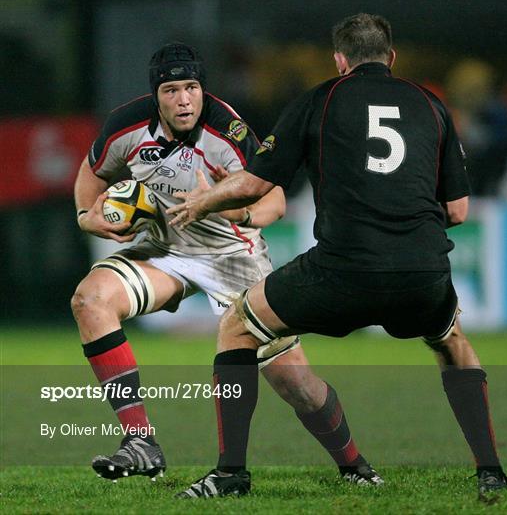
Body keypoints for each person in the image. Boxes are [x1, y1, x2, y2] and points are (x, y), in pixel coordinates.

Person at [171, 14, 507, 499]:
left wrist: (204, 200)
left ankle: (230, 475)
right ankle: (491, 471)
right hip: (421, 273)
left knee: (238, 326)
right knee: (452, 342)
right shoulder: (430, 104)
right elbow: (457, 210)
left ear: (338, 60)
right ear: (391, 58)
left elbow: (259, 181)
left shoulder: (319, 100)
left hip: (341, 272)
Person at [72, 42, 382, 487]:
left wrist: (229, 209)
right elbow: (91, 172)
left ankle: (354, 465)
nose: (184, 99)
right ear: (155, 95)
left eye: (192, 87)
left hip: (232, 257)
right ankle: (140, 442)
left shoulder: (228, 133)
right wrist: (88, 217)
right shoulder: (127, 126)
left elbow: (275, 199)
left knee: (295, 383)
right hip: (165, 249)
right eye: (172, 90)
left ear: (203, 89)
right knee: (90, 300)